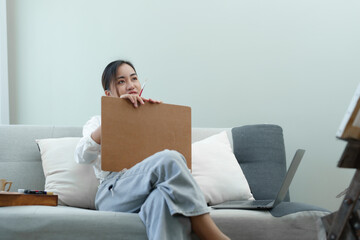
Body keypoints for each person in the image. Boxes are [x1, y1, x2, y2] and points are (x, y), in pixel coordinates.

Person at [75, 60, 230, 240]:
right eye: (121, 81)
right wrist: (114, 116)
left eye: (134, 78)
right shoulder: (97, 122)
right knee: (169, 158)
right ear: (108, 94)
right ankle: (210, 232)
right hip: (113, 193)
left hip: (151, 190)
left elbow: (178, 171)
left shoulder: (150, 118)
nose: (130, 85)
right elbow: (81, 155)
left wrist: (157, 119)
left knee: (163, 200)